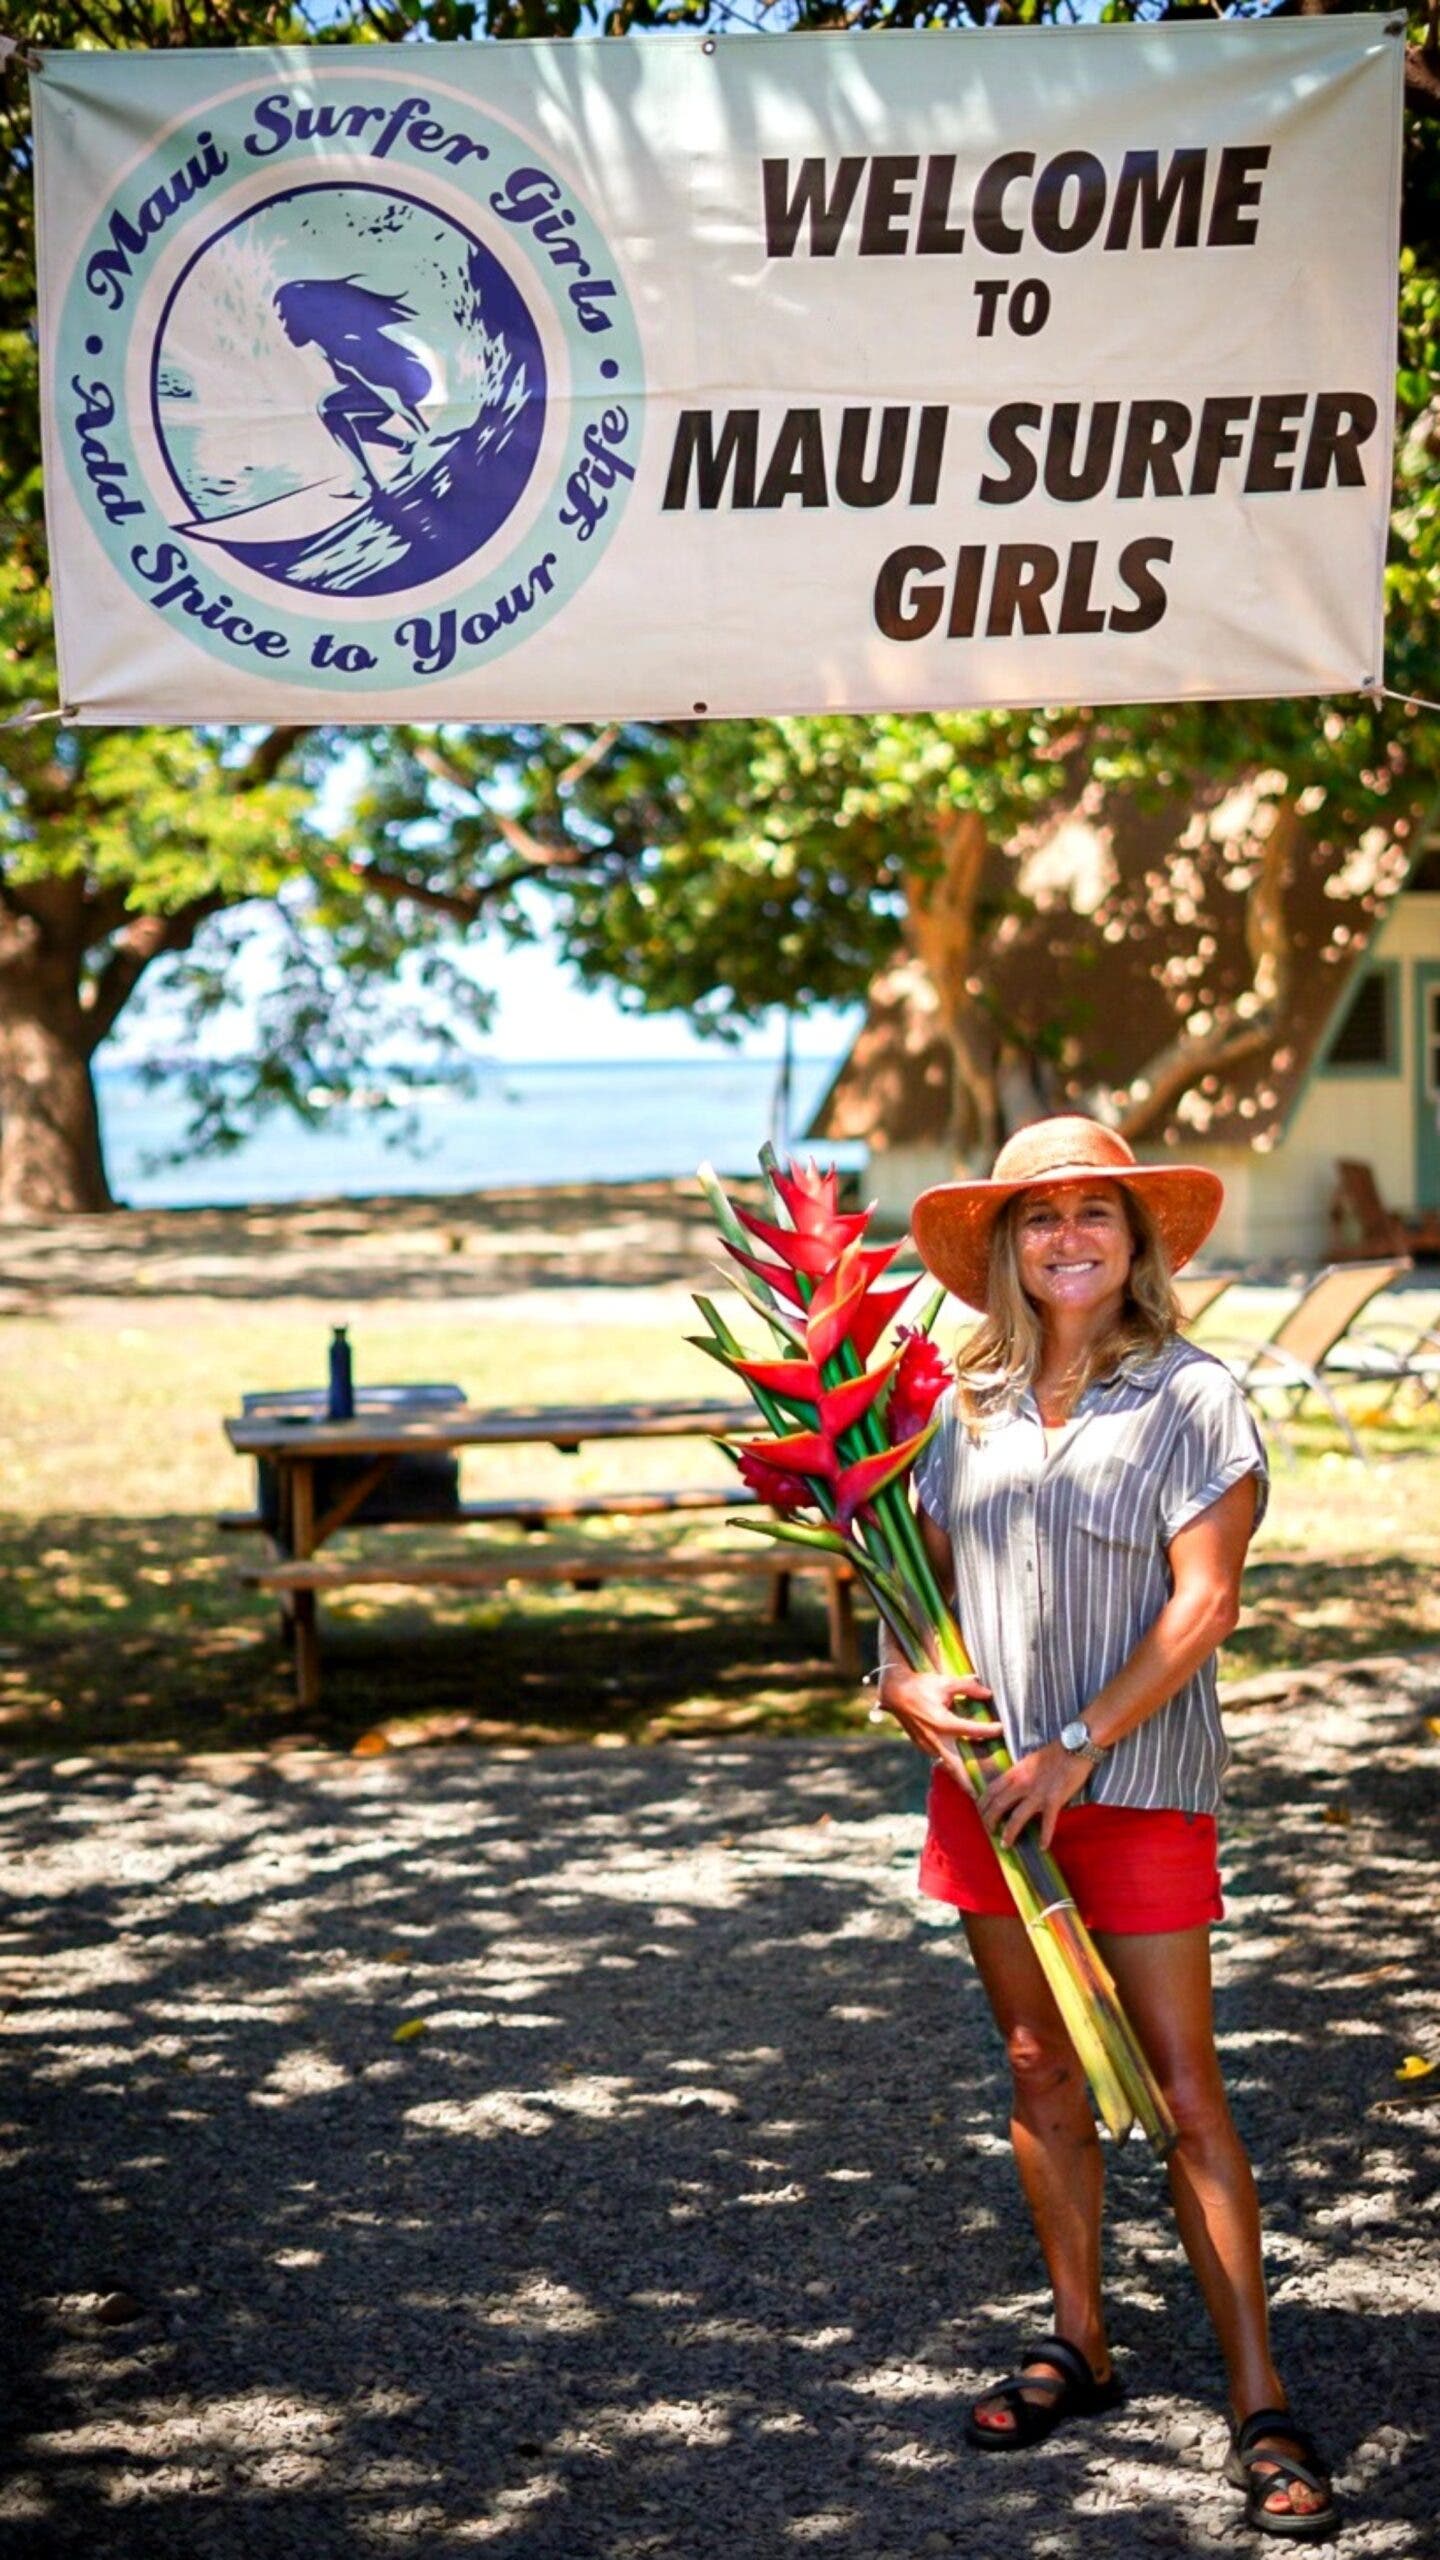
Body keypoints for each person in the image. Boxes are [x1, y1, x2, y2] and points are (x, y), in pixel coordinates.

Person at [878, 1115, 1337, 2541]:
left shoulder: (1193, 1395)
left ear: (1136, 1242)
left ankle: (1258, 2400)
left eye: (1095, 1212)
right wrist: (895, 1681)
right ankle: (1080, 2342)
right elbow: (915, 1591)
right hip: (991, 1796)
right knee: (1036, 2068)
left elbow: (1207, 1604)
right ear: (1007, 1249)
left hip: (1127, 1785)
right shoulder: (970, 1403)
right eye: (1039, 1216)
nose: (1067, 1236)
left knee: (1185, 2094)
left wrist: (1081, 1744)